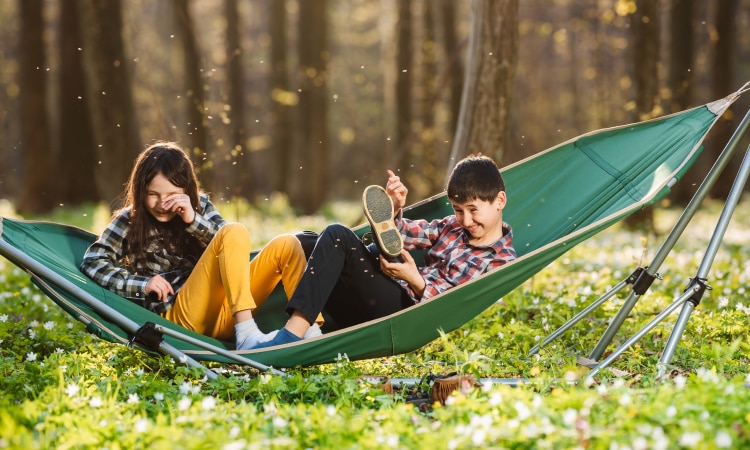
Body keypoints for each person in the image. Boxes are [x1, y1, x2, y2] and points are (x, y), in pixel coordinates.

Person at [251, 154, 517, 349]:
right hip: (381, 297)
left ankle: (290, 337)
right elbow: (405, 235)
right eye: (458, 210)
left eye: (473, 210)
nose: (466, 220)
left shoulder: (503, 262)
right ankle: (310, 328)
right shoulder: (451, 227)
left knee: (336, 236)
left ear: (499, 201)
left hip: (407, 319)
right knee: (307, 242)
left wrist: (416, 279)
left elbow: (460, 308)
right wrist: (393, 209)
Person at [79, 142, 321, 351]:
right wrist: (144, 284)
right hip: (179, 317)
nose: (162, 204)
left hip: (227, 315)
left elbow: (230, 244)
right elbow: (93, 261)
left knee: (287, 244)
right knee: (234, 230)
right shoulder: (130, 220)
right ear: (140, 190)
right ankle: (247, 335)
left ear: (187, 189)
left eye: (172, 194)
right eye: (153, 194)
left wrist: (193, 221)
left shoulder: (200, 207)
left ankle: (309, 328)